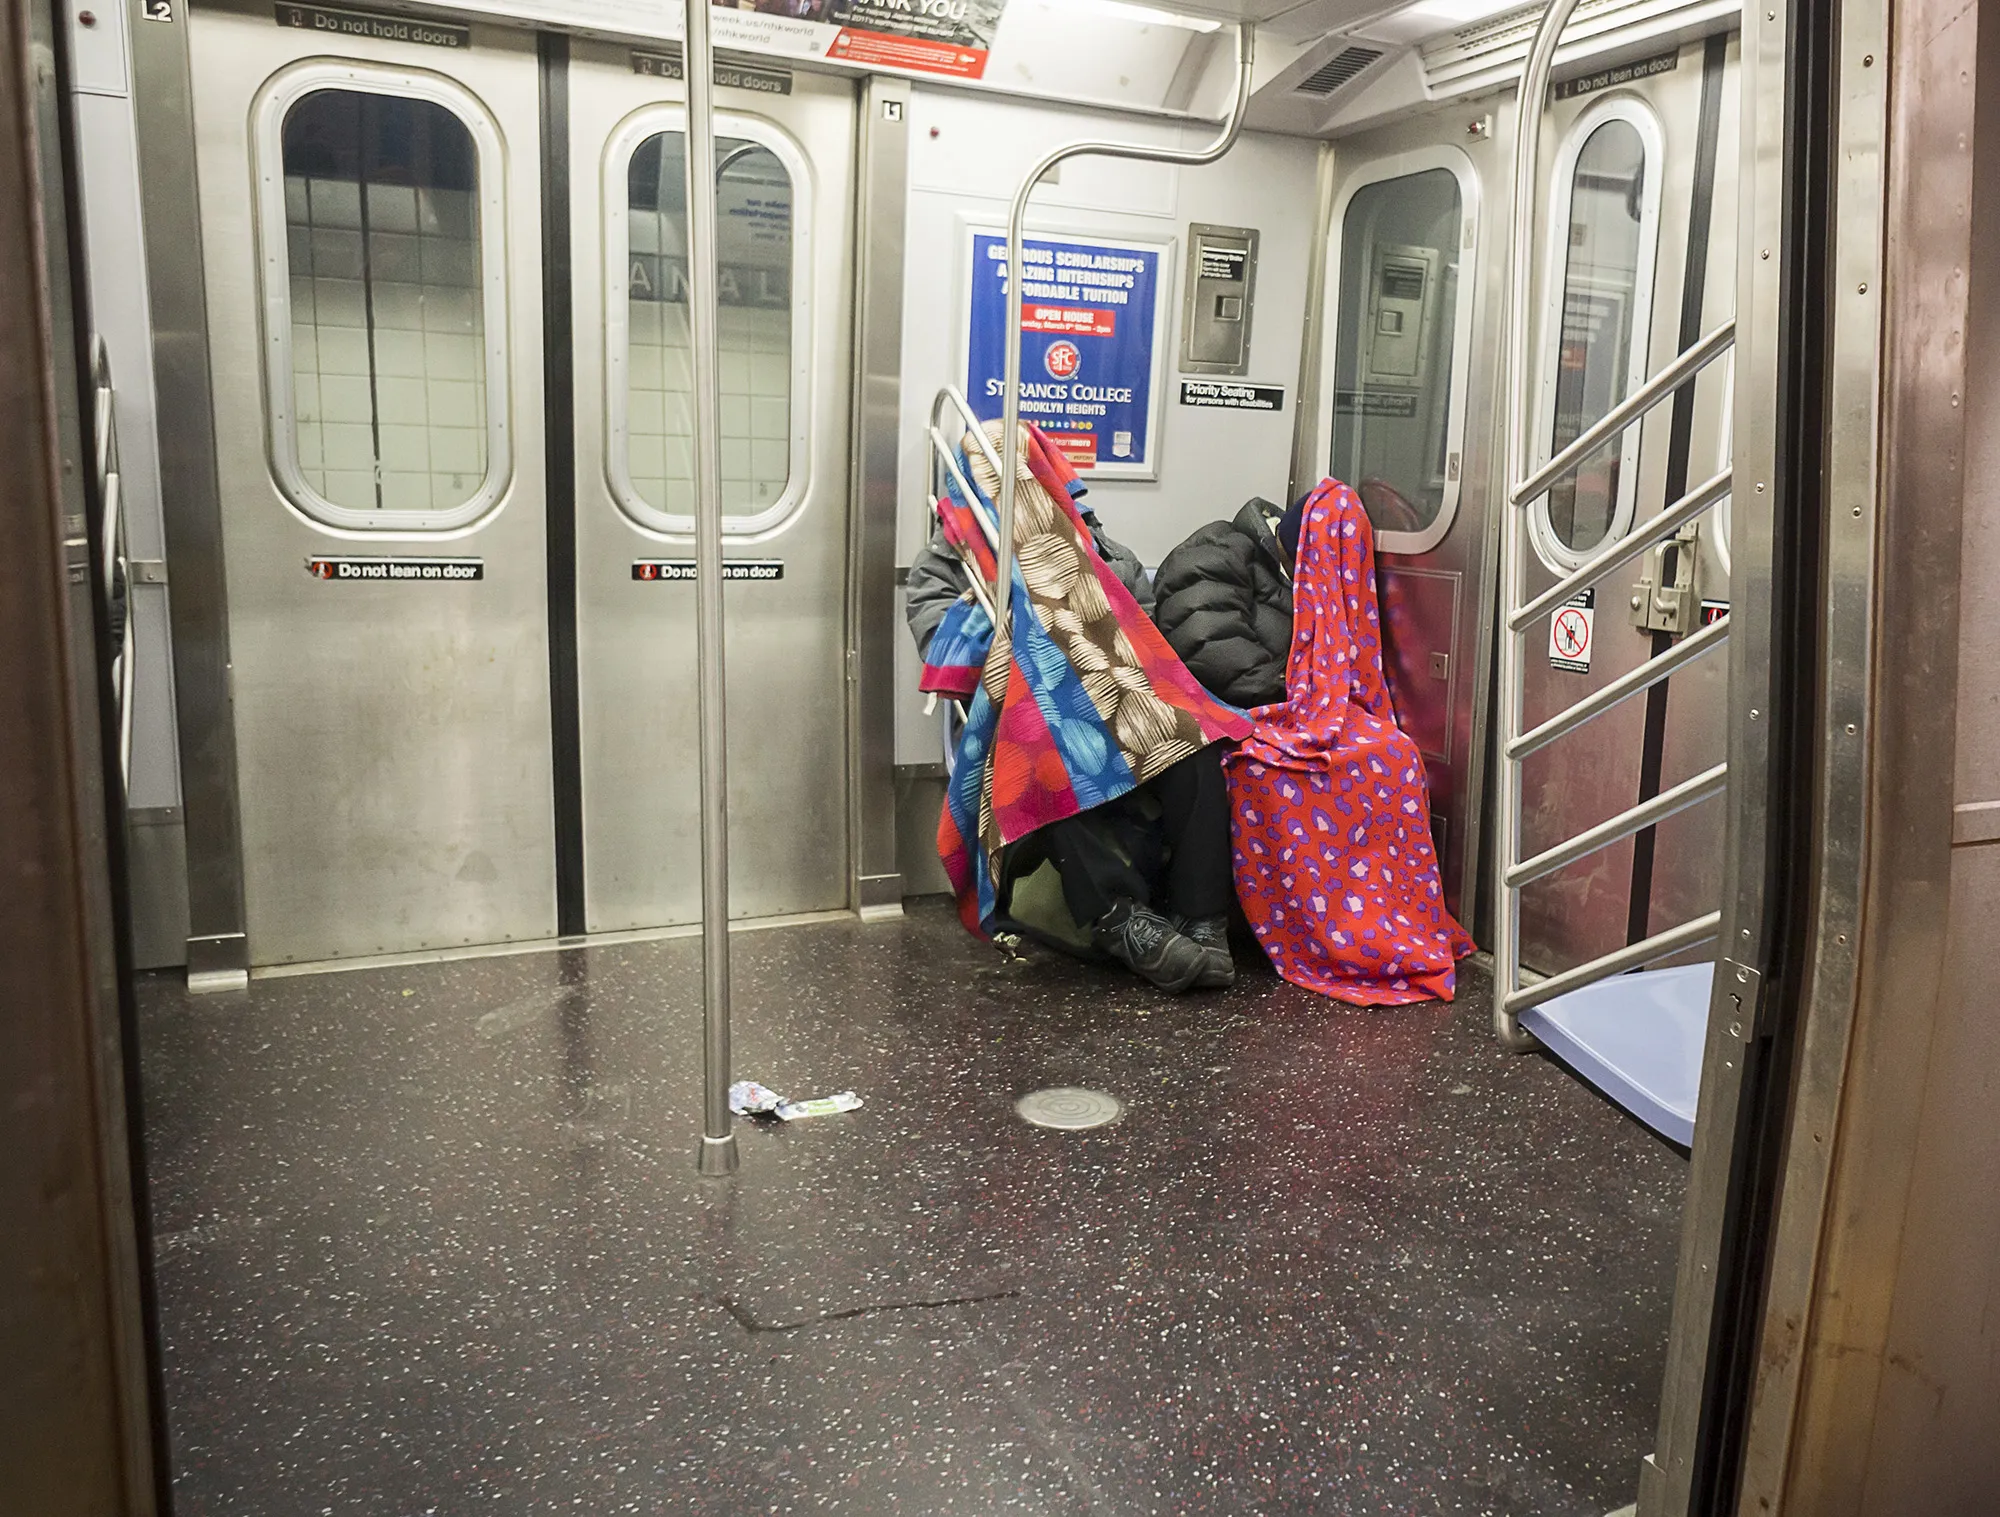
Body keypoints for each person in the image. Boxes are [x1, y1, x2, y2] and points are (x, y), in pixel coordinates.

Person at [908, 434, 1247, 993]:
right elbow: (939, 641)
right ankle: (1120, 920)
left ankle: (1202, 920)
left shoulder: (1096, 545)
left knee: (1198, 739)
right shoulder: (950, 559)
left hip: (1116, 696)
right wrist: (1008, 602)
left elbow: (1143, 634)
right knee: (1052, 755)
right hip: (1028, 708)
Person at [1150, 495, 1304, 708]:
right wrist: (1296, 691)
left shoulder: (1304, 581)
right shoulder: (1218, 551)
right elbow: (1207, 643)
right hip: (1232, 713)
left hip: (1279, 704)